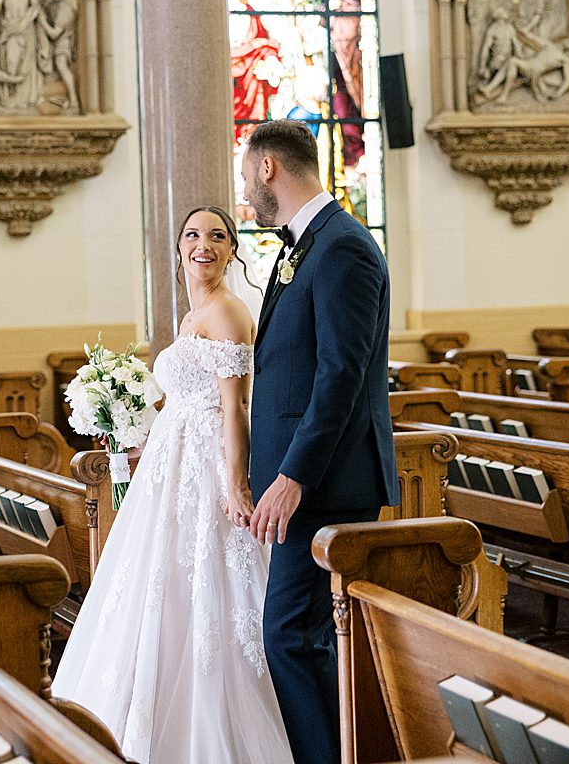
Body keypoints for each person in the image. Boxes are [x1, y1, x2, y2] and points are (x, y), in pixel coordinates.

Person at [53, 205, 294, 764]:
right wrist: (141, 442)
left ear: (232, 249)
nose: (202, 244)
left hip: (209, 465)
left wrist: (236, 485)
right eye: (192, 235)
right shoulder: (193, 316)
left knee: (209, 581)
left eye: (216, 235)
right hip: (172, 459)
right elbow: (188, 401)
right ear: (178, 249)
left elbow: (235, 411)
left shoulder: (229, 313)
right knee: (156, 582)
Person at [241, 119, 398, 764]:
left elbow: (342, 376)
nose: (244, 192)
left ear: (270, 167)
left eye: (247, 176)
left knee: (290, 634)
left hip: (329, 483)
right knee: (301, 634)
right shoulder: (301, 245)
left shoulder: (342, 248)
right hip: (306, 480)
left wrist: (294, 474)